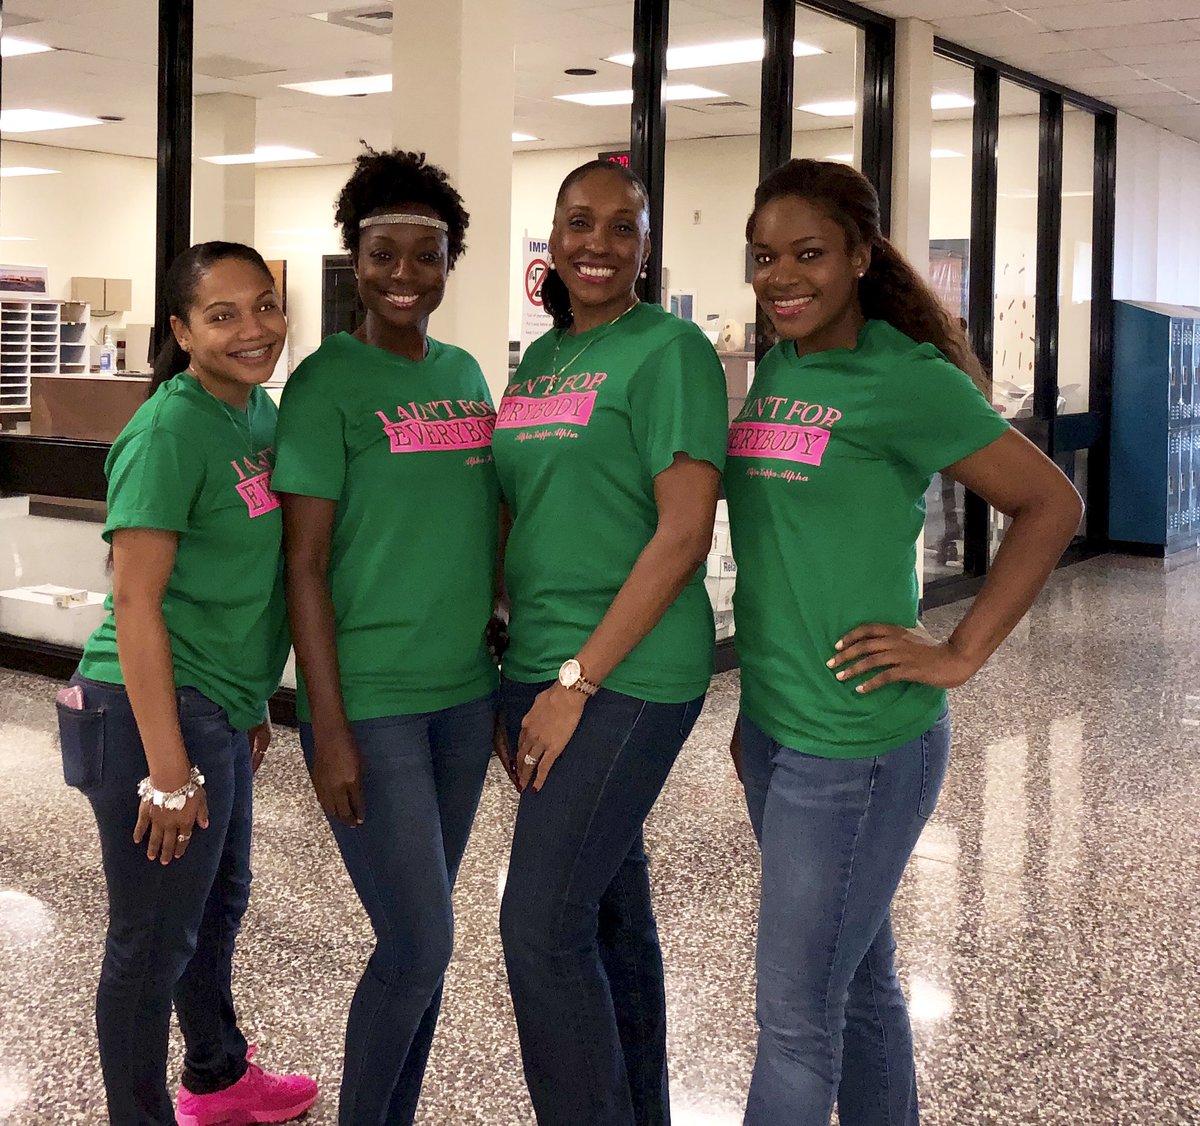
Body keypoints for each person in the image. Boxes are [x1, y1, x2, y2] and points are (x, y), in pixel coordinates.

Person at [726, 158, 1084, 1126]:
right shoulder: (785, 367)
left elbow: (1050, 502)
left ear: (858, 258)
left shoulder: (905, 376)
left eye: (807, 254)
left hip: (857, 747)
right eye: (764, 256)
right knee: (861, 985)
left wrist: (962, 649)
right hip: (774, 728)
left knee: (795, 1023)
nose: (781, 276)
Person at [56, 242, 317, 1126]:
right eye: (222, 315)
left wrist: (245, 706)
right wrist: (168, 769)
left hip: (213, 705)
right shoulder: (168, 431)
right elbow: (134, 603)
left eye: (265, 306)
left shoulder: (256, 414)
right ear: (180, 330)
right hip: (142, 710)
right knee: (152, 937)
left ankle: (216, 1076)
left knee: (213, 908)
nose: (254, 330)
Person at [491, 159, 729, 1126]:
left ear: (643, 243)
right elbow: (521, 508)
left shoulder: (669, 351)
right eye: (578, 223)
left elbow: (684, 534)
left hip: (625, 675)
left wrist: (577, 681)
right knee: (609, 917)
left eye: (621, 227)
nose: (597, 243)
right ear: (551, 237)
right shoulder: (540, 361)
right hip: (532, 664)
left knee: (539, 930)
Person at [271, 148, 499, 1126]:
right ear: (353, 259)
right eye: (382, 253)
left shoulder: (465, 373)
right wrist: (326, 726)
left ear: (451, 261)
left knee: (429, 938)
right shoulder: (325, 384)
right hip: (373, 705)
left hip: (464, 696)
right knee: (416, 941)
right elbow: (305, 566)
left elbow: (488, 525)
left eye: (426, 254)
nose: (404, 273)